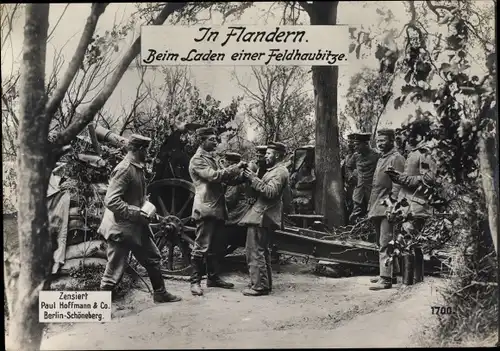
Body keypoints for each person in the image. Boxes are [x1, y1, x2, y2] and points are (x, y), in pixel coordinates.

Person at [98, 134, 182, 303]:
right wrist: (137, 212)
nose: (148, 153)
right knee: (114, 270)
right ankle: (100, 305)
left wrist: (148, 210)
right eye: (147, 150)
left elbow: (135, 197)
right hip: (121, 228)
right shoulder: (125, 169)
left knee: (153, 257)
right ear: (139, 150)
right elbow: (111, 201)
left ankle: (160, 293)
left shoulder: (137, 167)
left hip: (136, 226)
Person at [188, 127, 246, 296]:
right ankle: (195, 283)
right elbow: (214, 176)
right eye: (212, 139)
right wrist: (235, 168)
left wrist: (243, 176)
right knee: (201, 247)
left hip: (218, 209)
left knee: (217, 246)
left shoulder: (211, 158)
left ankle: (213, 278)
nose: (215, 142)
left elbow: (225, 180)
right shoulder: (197, 160)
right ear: (202, 141)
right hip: (206, 209)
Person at [240, 142, 290, 296]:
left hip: (263, 216)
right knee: (261, 251)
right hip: (263, 215)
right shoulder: (275, 170)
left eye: (268, 154)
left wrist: (254, 179)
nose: (266, 156)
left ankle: (259, 286)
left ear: (277, 155)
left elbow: (270, 192)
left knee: (254, 251)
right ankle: (263, 284)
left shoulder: (279, 172)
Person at [386, 119, 437, 249]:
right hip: (408, 206)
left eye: (412, 135)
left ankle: (415, 270)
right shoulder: (413, 152)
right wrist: (398, 177)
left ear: (421, 136)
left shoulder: (425, 153)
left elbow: (429, 178)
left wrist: (402, 179)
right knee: (405, 246)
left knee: (413, 246)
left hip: (417, 207)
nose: (408, 137)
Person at [367, 129, 406, 291]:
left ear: (392, 140)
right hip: (378, 205)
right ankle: (392, 273)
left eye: (383, 140)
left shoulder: (396, 158)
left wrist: (393, 207)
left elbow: (398, 185)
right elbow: (377, 185)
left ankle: (386, 279)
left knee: (386, 242)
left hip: (388, 206)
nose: (380, 143)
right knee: (381, 241)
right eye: (378, 140)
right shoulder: (382, 158)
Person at [349, 133, 380, 225]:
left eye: (357, 144)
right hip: (359, 190)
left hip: (372, 190)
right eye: (355, 145)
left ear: (366, 144)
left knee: (371, 215)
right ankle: (354, 232)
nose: (355, 147)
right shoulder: (356, 156)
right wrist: (351, 176)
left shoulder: (377, 155)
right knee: (355, 213)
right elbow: (348, 166)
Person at [342, 133, 359, 218]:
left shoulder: (359, 155)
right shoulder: (347, 157)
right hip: (348, 186)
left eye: (351, 142)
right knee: (349, 205)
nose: (349, 144)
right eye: (348, 142)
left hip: (356, 185)